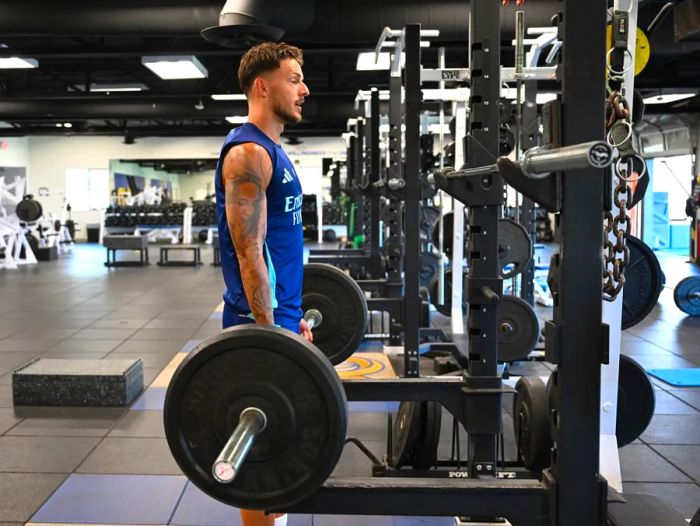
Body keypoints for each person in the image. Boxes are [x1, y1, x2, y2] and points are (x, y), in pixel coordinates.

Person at [214, 42, 311, 526]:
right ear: (261, 85)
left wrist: (293, 319)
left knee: (284, 442)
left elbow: (282, 248)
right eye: (293, 78)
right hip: (259, 327)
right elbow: (249, 254)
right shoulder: (248, 153)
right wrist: (271, 332)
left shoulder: (275, 152)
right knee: (260, 452)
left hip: (281, 321)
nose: (304, 89)